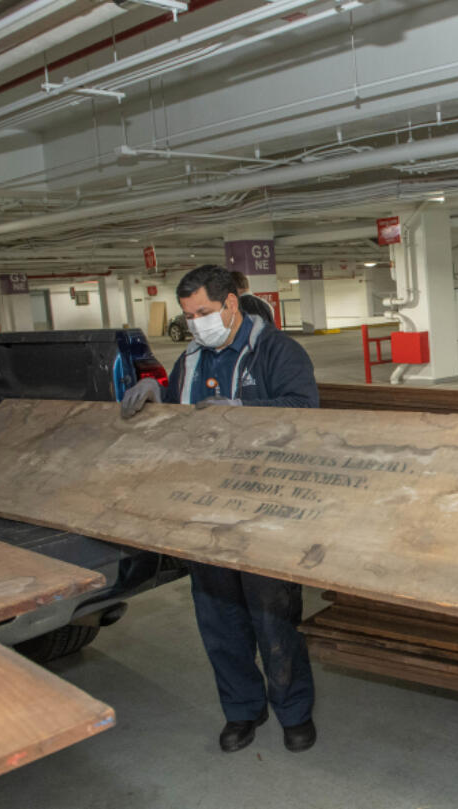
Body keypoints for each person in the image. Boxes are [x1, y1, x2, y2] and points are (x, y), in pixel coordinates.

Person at [120, 264, 319, 754]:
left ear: (231, 304)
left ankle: (294, 713)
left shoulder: (277, 351)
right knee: (218, 622)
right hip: (206, 513)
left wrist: (244, 413)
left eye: (203, 312)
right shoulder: (191, 360)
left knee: (272, 620)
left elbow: (307, 411)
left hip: (264, 512)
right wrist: (157, 399)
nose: (195, 323)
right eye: (189, 315)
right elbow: (185, 418)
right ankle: (242, 711)